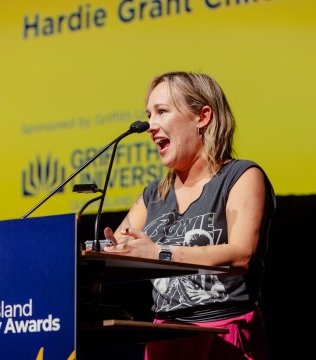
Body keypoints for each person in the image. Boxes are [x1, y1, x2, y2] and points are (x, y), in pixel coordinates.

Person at [102, 71, 276, 360]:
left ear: (202, 117)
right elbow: (116, 249)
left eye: (162, 112)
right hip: (164, 337)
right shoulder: (153, 194)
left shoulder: (240, 176)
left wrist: (160, 253)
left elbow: (241, 254)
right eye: (148, 114)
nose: (150, 126)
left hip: (222, 335)